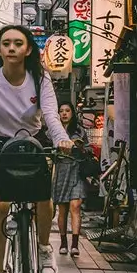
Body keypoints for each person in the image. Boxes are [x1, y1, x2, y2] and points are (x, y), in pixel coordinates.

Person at [0, 24, 73, 273]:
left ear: (28, 49)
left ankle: (42, 248)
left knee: (44, 198)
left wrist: (62, 138)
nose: (12, 48)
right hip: (0, 143)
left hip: (35, 141)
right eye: (6, 43)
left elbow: (51, 115)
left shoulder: (41, 79)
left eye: (18, 43)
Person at [52, 102, 87, 258]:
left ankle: (74, 245)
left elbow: (88, 148)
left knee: (75, 205)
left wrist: (79, 146)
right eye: (61, 111)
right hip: (60, 171)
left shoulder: (79, 130)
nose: (64, 113)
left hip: (76, 170)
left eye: (67, 111)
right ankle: (63, 242)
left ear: (72, 113)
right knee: (63, 209)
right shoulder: (52, 132)